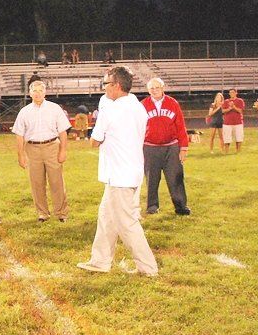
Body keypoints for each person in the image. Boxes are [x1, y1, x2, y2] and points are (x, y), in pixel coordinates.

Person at [76, 66, 158, 277]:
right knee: (106, 217)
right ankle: (100, 260)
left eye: (106, 84)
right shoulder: (138, 106)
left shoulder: (111, 110)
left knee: (126, 223)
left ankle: (148, 267)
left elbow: (94, 141)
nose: (104, 88)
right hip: (131, 170)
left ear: (117, 86)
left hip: (119, 174)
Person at [13, 80, 71, 222]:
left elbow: (63, 131)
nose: (37, 93)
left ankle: (61, 213)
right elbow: (19, 135)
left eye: (40, 90)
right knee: (37, 183)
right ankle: (42, 213)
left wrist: (63, 151)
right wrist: (21, 155)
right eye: (35, 90)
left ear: (45, 92)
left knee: (57, 182)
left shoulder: (54, 108)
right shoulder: (24, 112)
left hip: (52, 147)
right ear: (30, 93)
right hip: (32, 149)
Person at [142, 78, 190, 216]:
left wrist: (183, 148)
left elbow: (180, 126)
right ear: (148, 90)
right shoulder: (143, 105)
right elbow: (137, 127)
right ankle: (152, 206)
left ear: (163, 88)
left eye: (157, 87)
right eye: (152, 88)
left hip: (171, 147)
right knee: (151, 178)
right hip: (150, 147)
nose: (155, 90)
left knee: (175, 177)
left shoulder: (172, 103)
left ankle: (181, 206)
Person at [221, 88, 246, 153]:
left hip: (238, 122)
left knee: (239, 137)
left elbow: (240, 111)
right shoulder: (226, 101)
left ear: (236, 93)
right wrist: (229, 108)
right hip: (227, 123)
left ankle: (238, 151)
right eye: (230, 92)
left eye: (233, 92)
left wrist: (234, 107)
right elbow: (222, 111)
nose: (232, 94)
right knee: (227, 138)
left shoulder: (240, 100)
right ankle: (226, 151)